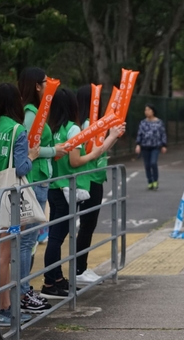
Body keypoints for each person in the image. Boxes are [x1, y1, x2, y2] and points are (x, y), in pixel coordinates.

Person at [41, 88, 118, 299]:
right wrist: (94, 154)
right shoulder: (72, 128)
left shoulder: (51, 128)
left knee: (56, 235)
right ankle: (50, 282)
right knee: (57, 237)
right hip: (67, 187)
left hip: (54, 187)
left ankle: (56, 279)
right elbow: (75, 161)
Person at [0, 83, 39, 327]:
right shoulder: (18, 130)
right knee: (3, 257)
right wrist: (32, 156)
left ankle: (4, 307)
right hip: (11, 199)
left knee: (1, 255)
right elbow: (21, 168)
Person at [18, 67, 68, 313]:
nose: (50, 85)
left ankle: (23, 291)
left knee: (29, 240)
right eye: (46, 82)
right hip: (34, 180)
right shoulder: (30, 114)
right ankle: (22, 292)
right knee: (27, 241)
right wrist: (54, 150)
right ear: (37, 86)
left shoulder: (36, 112)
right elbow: (30, 150)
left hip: (40, 180)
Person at [74, 85, 125, 285]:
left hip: (91, 177)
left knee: (86, 225)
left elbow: (101, 149)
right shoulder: (89, 123)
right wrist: (112, 136)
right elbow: (96, 150)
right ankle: (79, 269)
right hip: (91, 179)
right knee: (87, 224)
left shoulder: (85, 122)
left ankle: (80, 267)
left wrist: (113, 135)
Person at [135, 104, 167, 190]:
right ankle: (150, 181)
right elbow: (140, 134)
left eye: (149, 110)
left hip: (155, 146)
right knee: (147, 165)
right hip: (145, 146)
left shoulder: (159, 122)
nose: (147, 112)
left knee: (153, 163)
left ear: (153, 111)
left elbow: (163, 133)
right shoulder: (143, 122)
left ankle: (155, 180)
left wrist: (163, 145)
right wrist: (138, 144)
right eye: (145, 110)